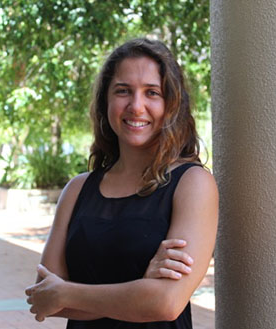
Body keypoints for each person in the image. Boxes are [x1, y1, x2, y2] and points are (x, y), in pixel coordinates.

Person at [25, 38, 218, 329]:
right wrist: (140, 287)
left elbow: (165, 303)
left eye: (152, 92)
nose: (136, 106)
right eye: (123, 91)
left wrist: (68, 292)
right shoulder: (77, 190)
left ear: (172, 104)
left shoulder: (193, 184)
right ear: (106, 100)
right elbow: (44, 299)